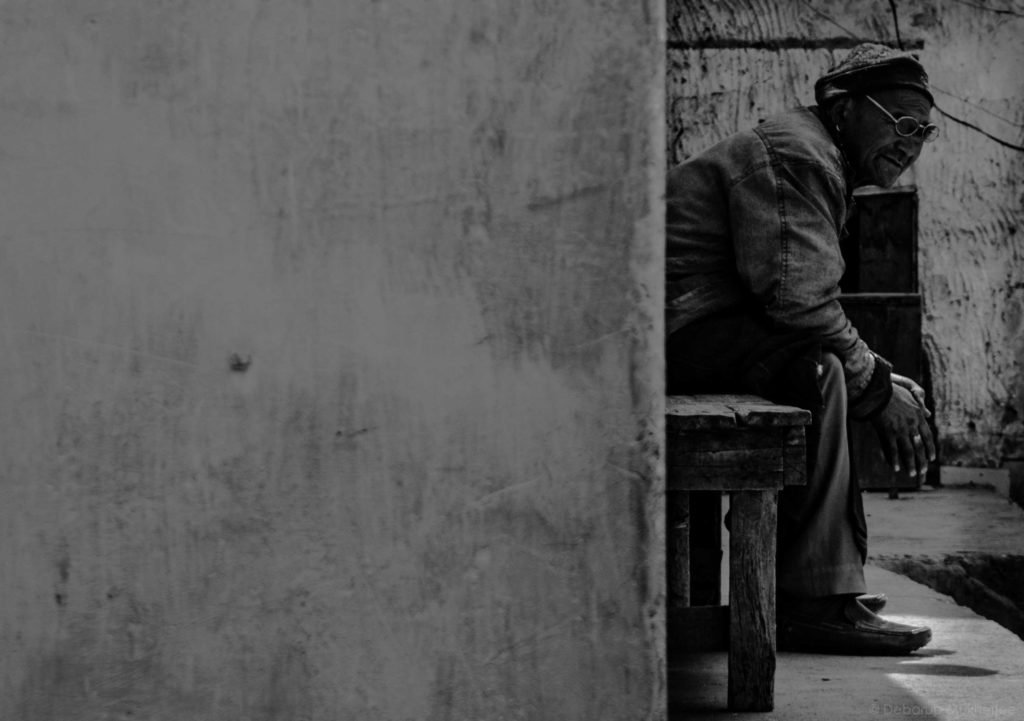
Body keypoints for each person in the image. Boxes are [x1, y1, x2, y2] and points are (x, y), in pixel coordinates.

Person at [665, 43, 939, 654]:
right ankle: (811, 597)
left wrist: (879, 380)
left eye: (923, 130)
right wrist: (877, 388)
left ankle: (818, 585)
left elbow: (795, 299)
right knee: (820, 374)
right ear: (842, 109)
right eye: (899, 122)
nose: (911, 142)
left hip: (699, 326)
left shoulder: (815, 153)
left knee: (834, 370)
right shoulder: (799, 153)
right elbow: (799, 302)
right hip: (673, 329)